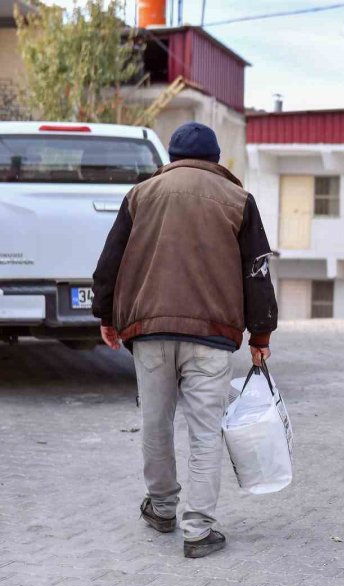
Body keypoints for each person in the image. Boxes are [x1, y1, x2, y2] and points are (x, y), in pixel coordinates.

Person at [91, 122, 278, 558]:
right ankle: (198, 529)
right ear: (215, 159)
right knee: (204, 433)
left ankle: (161, 508)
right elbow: (257, 270)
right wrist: (261, 331)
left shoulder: (140, 195)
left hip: (150, 333)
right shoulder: (238, 199)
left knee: (156, 424)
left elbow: (110, 262)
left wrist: (106, 316)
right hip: (212, 336)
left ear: (170, 157)